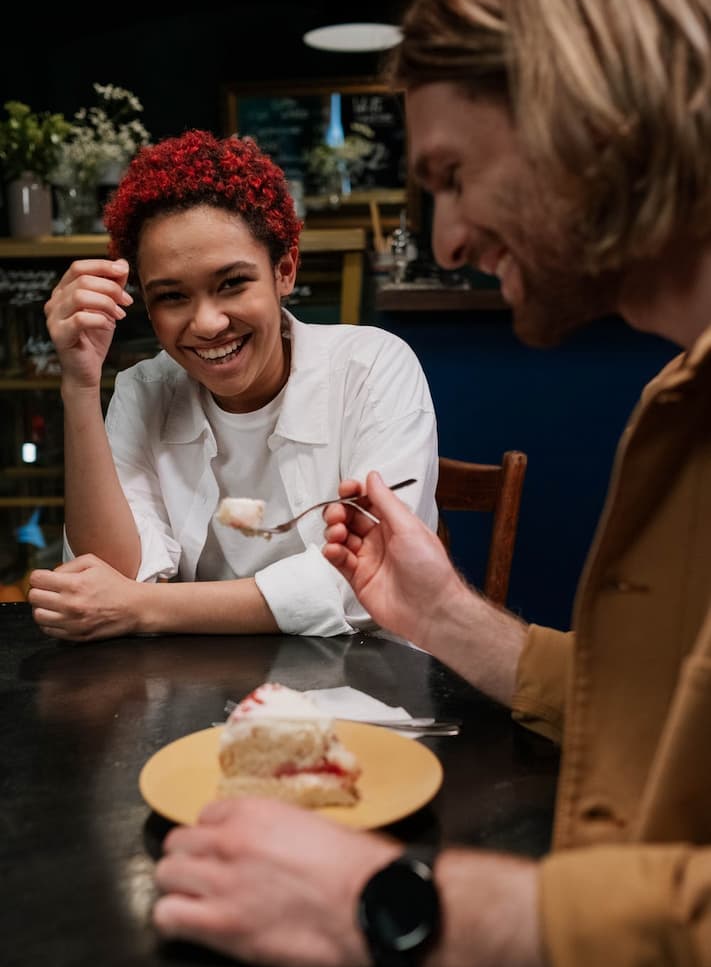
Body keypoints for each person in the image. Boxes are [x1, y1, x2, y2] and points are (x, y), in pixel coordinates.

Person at [152, 0, 711, 967]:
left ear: (597, 111)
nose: (447, 241)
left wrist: (407, 903)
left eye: (453, 176)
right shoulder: (681, 395)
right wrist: (448, 616)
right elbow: (661, 715)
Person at [29, 130, 438, 641]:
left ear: (284, 269)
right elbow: (108, 580)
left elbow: (365, 580)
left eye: (232, 283)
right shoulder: (145, 389)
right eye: (172, 296)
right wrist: (80, 385)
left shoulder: (373, 368)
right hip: (195, 699)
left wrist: (144, 607)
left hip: (370, 687)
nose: (206, 323)